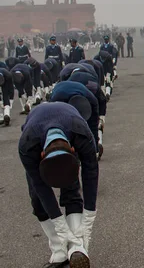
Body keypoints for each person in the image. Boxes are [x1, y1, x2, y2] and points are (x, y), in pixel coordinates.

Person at [18, 102, 98, 268]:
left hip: (69, 126)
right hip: (36, 132)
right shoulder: (27, 146)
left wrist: (87, 229)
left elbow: (91, 176)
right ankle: (60, 252)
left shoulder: (82, 135)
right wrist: (63, 232)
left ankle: (77, 247)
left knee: (71, 192)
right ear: (41, 156)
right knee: (38, 201)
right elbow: (42, 189)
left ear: (73, 150)